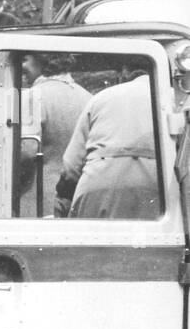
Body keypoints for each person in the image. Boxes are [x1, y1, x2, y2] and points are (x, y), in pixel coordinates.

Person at [57, 66, 161, 220]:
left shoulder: (101, 97)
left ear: (125, 73)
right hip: (157, 189)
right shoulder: (172, 99)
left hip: (98, 186)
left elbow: (72, 166)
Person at [18, 52, 89, 217]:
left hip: (37, 200)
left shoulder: (32, 96)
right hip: (75, 200)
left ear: (42, 59)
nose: (21, 66)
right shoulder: (87, 97)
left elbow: (27, 151)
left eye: (24, 60)